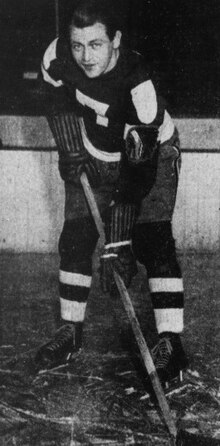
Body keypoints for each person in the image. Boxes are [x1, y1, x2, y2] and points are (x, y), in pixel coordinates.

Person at [35, 0, 188, 387]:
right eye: (78, 44)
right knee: (75, 237)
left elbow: (135, 180)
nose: (85, 56)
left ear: (116, 40)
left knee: (150, 241)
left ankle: (171, 341)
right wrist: (69, 147)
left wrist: (118, 241)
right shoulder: (57, 56)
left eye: (97, 45)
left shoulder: (140, 87)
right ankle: (70, 332)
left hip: (149, 157)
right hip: (92, 148)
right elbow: (55, 98)